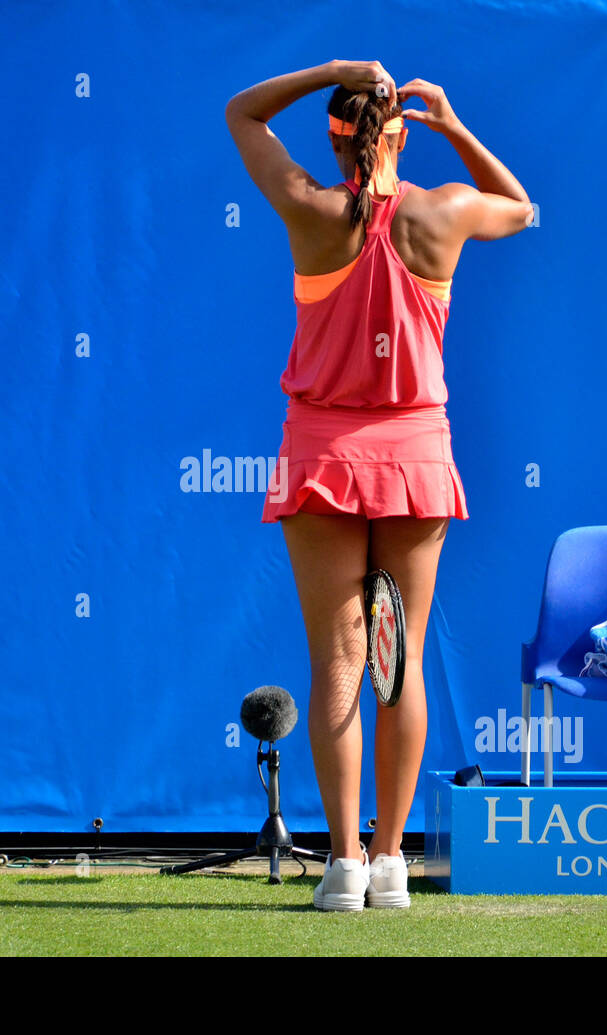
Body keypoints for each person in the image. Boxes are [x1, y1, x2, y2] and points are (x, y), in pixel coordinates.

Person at [225, 60, 532, 910]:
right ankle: (391, 865)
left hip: (323, 457)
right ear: (399, 134)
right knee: (397, 664)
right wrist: (457, 127)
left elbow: (242, 113)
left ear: (334, 137)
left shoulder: (312, 210)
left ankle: (346, 865)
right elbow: (522, 206)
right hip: (416, 458)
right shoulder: (443, 210)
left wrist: (334, 68)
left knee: (341, 662)